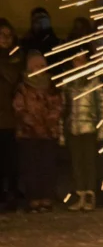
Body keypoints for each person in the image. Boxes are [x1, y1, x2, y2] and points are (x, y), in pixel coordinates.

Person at [12, 51, 63, 212]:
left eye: (41, 66)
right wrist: (34, 124)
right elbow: (19, 108)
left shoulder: (51, 85)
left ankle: (46, 197)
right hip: (29, 133)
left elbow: (58, 105)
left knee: (47, 166)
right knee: (31, 167)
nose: (39, 69)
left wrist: (49, 122)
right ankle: (33, 198)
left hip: (48, 133)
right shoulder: (23, 86)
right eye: (35, 66)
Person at [61, 49, 103, 212]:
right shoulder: (68, 82)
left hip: (89, 127)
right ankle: (79, 194)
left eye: (82, 60)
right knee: (76, 163)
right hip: (73, 127)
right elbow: (63, 107)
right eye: (76, 60)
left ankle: (90, 195)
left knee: (89, 162)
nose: (79, 63)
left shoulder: (93, 81)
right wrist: (62, 130)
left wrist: (101, 128)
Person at [0, 19, 23, 210]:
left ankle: (12, 193)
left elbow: (15, 77)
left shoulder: (16, 56)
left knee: (12, 160)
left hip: (11, 118)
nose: (6, 39)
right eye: (2, 35)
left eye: (9, 35)